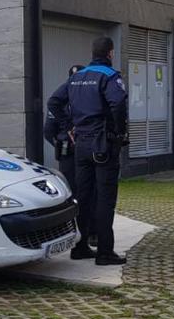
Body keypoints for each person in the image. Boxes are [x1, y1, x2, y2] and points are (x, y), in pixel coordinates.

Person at [48, 37, 128, 266]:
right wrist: (118, 133)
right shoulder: (110, 76)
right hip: (102, 144)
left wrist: (69, 126)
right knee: (105, 198)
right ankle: (104, 252)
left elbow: (53, 102)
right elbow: (118, 103)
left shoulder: (76, 77)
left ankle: (80, 247)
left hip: (80, 146)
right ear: (110, 53)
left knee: (83, 197)